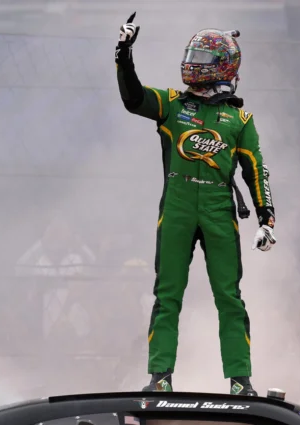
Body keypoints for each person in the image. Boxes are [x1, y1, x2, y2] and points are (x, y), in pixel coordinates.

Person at [115, 13, 276, 395]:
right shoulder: (171, 104)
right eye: (192, 55)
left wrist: (266, 220)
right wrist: (123, 55)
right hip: (177, 206)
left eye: (202, 58)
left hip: (220, 211)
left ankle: (240, 382)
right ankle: (160, 379)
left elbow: (256, 170)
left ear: (224, 64)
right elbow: (133, 98)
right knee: (167, 295)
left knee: (229, 298)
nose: (192, 63)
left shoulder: (240, 119)